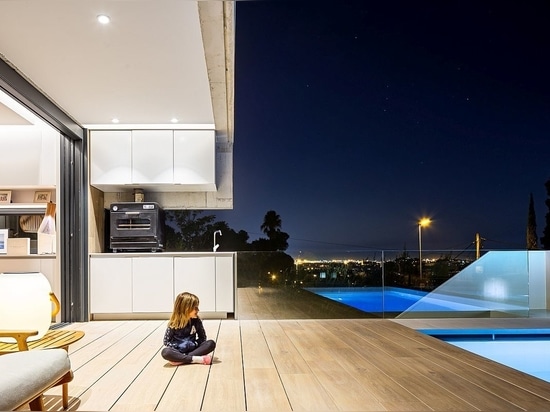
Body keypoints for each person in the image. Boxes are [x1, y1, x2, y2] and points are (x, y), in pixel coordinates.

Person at [161, 292, 216, 366]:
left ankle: (182, 359)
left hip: (193, 349)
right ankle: (196, 359)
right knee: (165, 352)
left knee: (211, 344)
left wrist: (194, 344)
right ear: (185, 309)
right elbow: (166, 342)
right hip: (178, 351)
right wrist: (178, 346)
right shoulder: (173, 323)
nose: (198, 310)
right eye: (195, 308)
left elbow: (203, 338)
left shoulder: (197, 321)